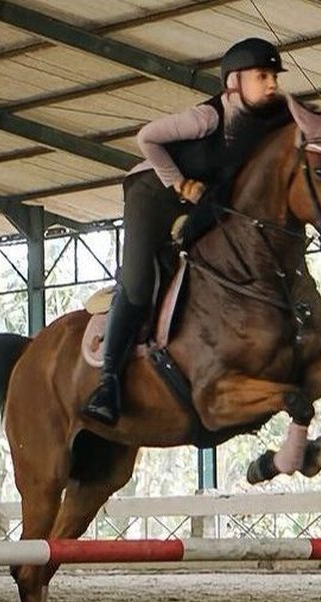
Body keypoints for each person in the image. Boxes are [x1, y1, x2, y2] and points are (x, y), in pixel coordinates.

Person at [81, 37, 288, 426]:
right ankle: (108, 384)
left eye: (273, 76)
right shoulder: (206, 118)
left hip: (203, 202)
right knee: (140, 283)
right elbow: (147, 138)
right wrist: (178, 183)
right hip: (154, 193)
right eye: (263, 76)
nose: (272, 84)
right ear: (234, 82)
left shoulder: (262, 125)